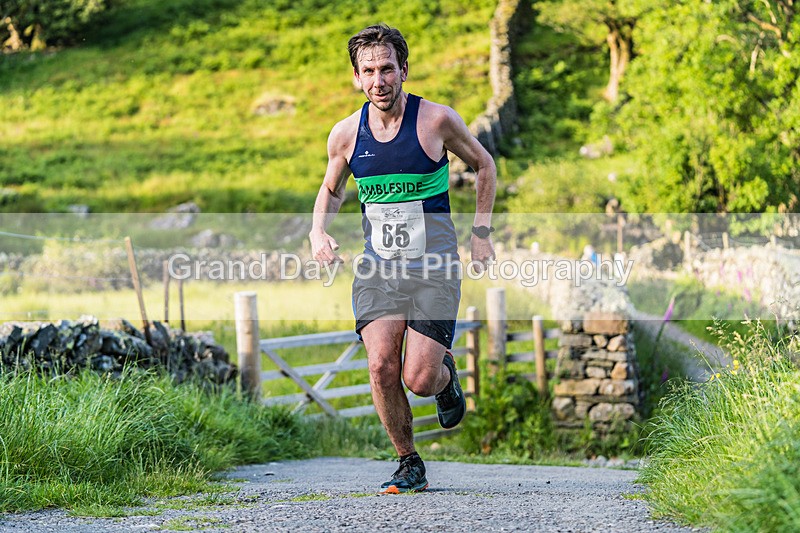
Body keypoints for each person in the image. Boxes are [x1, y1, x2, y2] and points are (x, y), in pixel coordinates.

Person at [309, 24, 496, 494]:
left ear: (403, 71)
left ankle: (445, 374)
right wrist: (318, 231)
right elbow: (331, 189)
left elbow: (484, 164)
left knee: (419, 377)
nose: (379, 81)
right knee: (380, 367)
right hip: (378, 269)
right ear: (356, 77)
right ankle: (408, 462)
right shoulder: (346, 134)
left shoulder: (435, 121)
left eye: (387, 69)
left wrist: (481, 233)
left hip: (433, 269)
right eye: (368, 71)